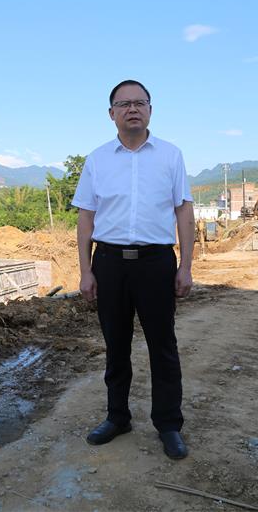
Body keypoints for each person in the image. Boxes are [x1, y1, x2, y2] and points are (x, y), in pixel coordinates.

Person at [72, 80, 195, 460]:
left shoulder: (171, 156)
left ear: (150, 110)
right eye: (124, 104)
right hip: (109, 263)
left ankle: (169, 424)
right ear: (112, 114)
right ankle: (117, 416)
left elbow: (184, 211)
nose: (132, 109)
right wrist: (85, 271)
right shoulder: (97, 160)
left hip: (156, 263)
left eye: (140, 103)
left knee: (163, 345)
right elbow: (86, 217)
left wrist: (186, 266)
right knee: (116, 344)